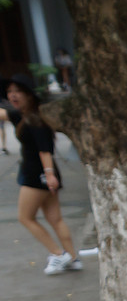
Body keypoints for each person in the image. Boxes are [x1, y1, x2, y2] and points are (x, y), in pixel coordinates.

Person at [5, 72, 81, 274]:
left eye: (18, 91)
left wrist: (48, 175)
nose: (13, 95)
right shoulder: (21, 116)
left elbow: (45, 150)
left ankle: (58, 254)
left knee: (25, 217)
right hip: (42, 175)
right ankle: (73, 258)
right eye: (10, 91)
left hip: (37, 176)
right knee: (55, 219)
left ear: (29, 95)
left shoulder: (35, 120)